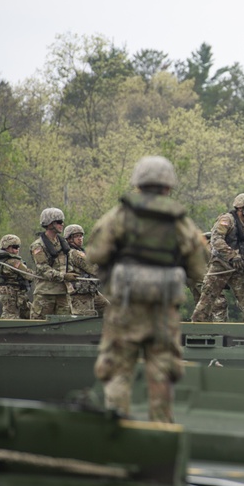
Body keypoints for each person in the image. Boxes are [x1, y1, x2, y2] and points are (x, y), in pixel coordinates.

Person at [89, 156, 207, 422]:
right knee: (162, 373)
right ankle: (160, 432)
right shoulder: (179, 221)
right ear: (169, 186)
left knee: (118, 371)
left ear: (138, 183)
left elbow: (96, 253)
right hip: (163, 311)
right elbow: (200, 269)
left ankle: (115, 430)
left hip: (126, 308)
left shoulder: (121, 215)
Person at [189, 194, 244, 323]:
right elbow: (216, 240)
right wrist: (233, 256)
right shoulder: (227, 221)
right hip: (220, 266)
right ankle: (197, 328)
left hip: (238, 269)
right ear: (241, 208)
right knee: (207, 299)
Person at [29, 207, 76, 319]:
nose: (62, 224)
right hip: (45, 293)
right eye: (59, 222)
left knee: (65, 325)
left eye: (62, 222)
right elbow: (43, 268)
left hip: (63, 293)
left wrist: (71, 274)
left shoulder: (62, 243)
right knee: (39, 326)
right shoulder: (38, 246)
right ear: (50, 224)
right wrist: (63, 276)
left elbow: (68, 262)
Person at [63, 223, 105, 317]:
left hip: (90, 291)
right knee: (85, 318)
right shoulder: (73, 253)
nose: (80, 238)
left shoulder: (81, 251)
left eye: (81, 236)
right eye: (76, 236)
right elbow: (92, 268)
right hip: (80, 295)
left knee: (107, 309)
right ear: (69, 239)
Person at [0, 234, 34, 319]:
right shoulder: (13, 262)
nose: (17, 250)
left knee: (30, 313)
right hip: (13, 296)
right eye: (14, 247)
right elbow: (29, 275)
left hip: (15, 296)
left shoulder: (1, 260)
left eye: (18, 247)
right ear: (6, 247)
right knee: (10, 317)